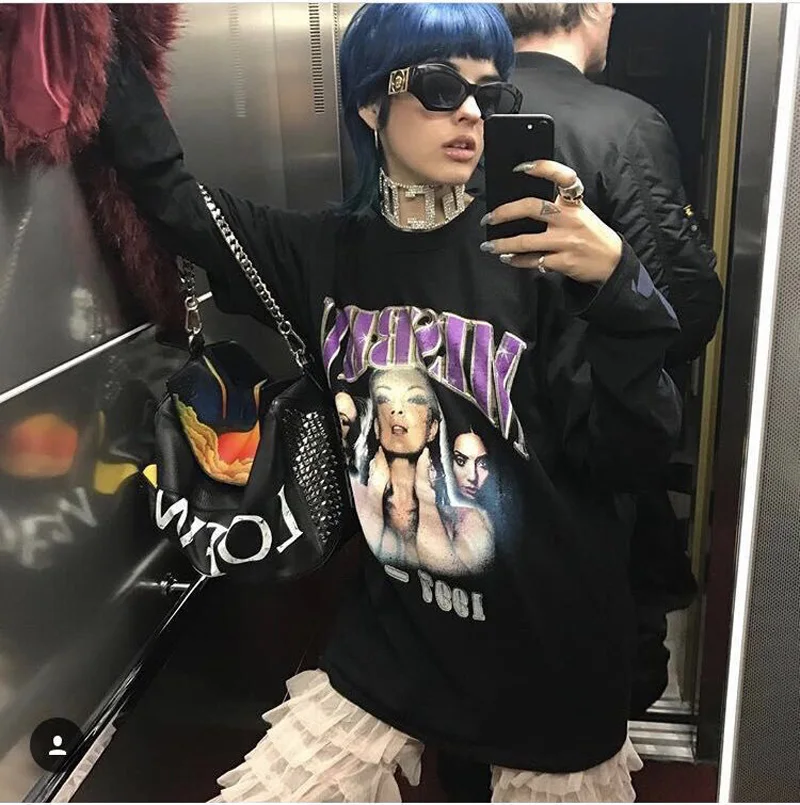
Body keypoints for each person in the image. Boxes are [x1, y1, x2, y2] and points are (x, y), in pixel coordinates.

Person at [97, 3, 681, 801]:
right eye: (440, 87)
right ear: (372, 104)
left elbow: (631, 452)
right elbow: (172, 196)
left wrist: (620, 288)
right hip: (398, 639)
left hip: (549, 651)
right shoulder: (322, 253)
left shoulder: (539, 256)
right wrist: (97, 38)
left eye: (490, 95)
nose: (470, 112)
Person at [488, 1, 723, 718]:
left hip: (468, 427)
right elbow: (680, 307)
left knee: (484, 645)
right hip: (588, 439)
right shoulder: (625, 124)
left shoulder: (446, 116)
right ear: (594, 9)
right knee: (603, 660)